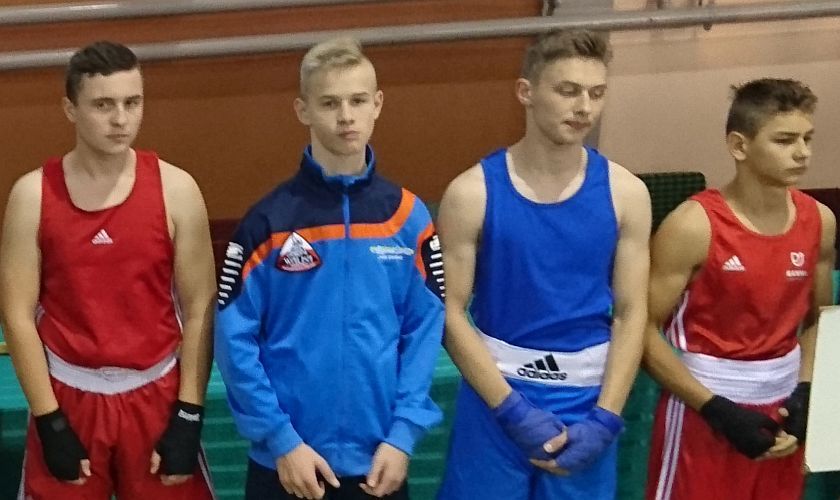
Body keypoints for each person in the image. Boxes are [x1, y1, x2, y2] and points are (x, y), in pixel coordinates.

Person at [214, 37, 445, 500]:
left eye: (358, 101)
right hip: (287, 465)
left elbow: (423, 331)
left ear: (378, 104)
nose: (345, 116)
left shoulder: (407, 217)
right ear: (302, 110)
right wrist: (281, 440)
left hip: (380, 461)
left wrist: (403, 434)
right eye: (329, 103)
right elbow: (234, 338)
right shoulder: (268, 222)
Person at [436, 29, 652, 499]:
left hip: (588, 404)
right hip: (496, 401)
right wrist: (511, 410)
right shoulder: (471, 194)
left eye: (597, 93)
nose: (584, 108)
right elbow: (449, 312)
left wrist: (607, 418)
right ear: (526, 92)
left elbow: (632, 311)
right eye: (568, 90)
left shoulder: (627, 194)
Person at [0, 41, 217, 499]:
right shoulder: (32, 196)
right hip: (68, 394)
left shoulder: (177, 190)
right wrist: (49, 419)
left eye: (132, 103)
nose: (121, 119)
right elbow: (17, 315)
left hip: (157, 395)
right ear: (70, 109)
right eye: (103, 105)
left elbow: (200, 307)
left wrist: (189, 413)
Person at [644, 78, 836, 500]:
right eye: (784, 140)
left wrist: (806, 391)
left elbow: (819, 320)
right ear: (739, 146)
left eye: (807, 138)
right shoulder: (692, 226)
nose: (802, 152)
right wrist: (715, 408)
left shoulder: (819, 221)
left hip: (782, 416)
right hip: (702, 415)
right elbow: (640, 328)